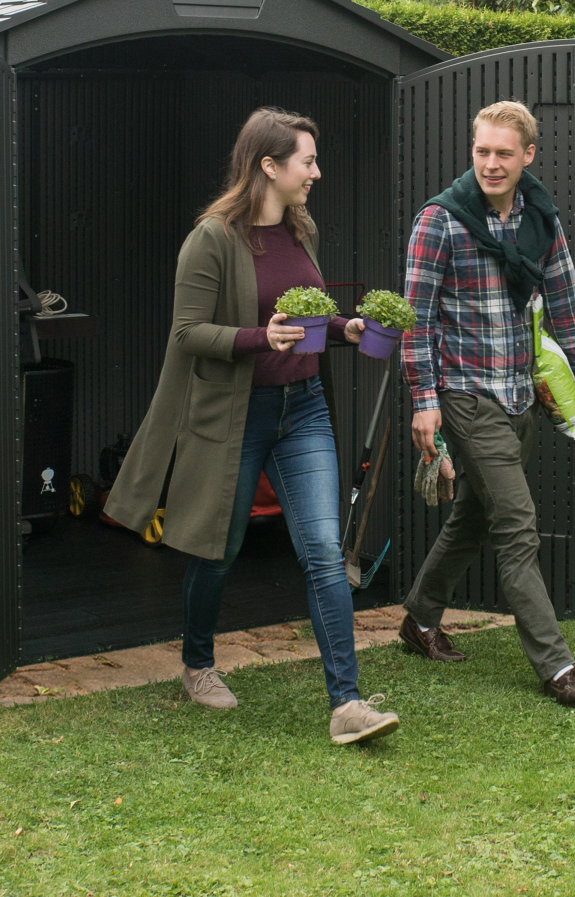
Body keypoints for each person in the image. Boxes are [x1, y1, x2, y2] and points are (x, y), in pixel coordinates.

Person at [104, 107, 401, 744]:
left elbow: (304, 319)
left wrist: (344, 329)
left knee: (323, 552)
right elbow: (187, 334)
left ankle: (347, 703)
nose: (316, 172)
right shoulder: (212, 239)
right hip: (237, 417)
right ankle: (198, 664)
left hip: (304, 413)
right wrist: (255, 337)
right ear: (268, 166)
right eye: (307, 161)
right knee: (219, 549)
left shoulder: (302, 231)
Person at [397, 100, 575, 708]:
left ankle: (419, 619)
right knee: (517, 525)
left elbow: (565, 296)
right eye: (482, 151)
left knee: (474, 517)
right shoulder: (440, 221)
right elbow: (415, 322)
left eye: (504, 154)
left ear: (528, 157)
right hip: (465, 395)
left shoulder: (540, 217)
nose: (491, 164)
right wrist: (424, 400)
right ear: (473, 151)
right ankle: (558, 667)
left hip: (520, 395)